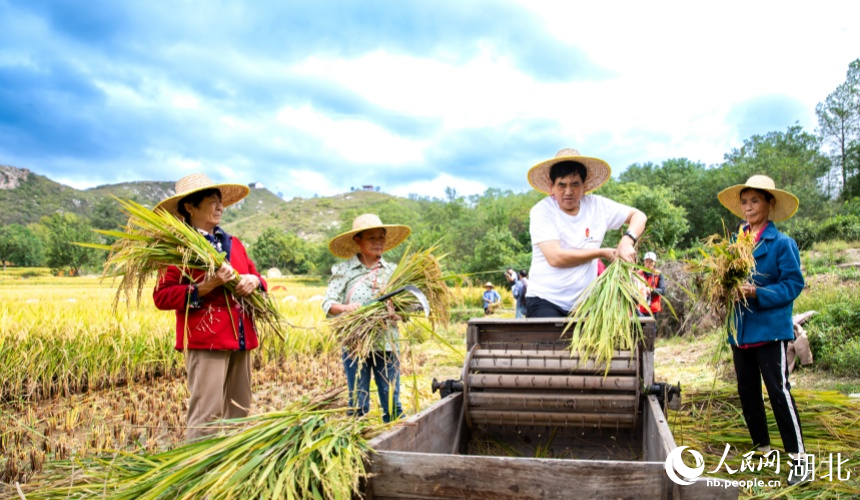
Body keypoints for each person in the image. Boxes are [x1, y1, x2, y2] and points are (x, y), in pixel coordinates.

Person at [152, 173, 266, 441]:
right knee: (207, 415)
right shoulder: (178, 249)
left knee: (240, 411)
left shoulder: (234, 243)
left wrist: (254, 281)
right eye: (213, 201)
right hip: (207, 339)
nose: (220, 207)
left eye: (221, 202)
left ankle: (234, 463)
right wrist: (205, 286)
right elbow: (162, 296)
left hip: (241, 337)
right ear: (190, 207)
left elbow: (257, 276)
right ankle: (199, 465)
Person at [717, 175, 808, 485]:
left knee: (778, 392)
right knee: (748, 392)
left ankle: (799, 460)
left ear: (770, 204)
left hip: (769, 330)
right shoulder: (735, 244)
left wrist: (757, 292)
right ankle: (763, 450)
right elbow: (726, 279)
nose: (748, 207)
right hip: (741, 332)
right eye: (744, 202)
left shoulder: (781, 244)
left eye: (755, 201)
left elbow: (793, 284)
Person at [525, 148, 648, 318]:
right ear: (551, 187)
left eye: (575, 184)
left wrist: (627, 240)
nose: (568, 192)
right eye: (562, 185)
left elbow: (639, 216)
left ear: (585, 186)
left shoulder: (597, 206)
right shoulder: (543, 211)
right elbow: (555, 258)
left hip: (584, 303)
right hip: (546, 299)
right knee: (550, 335)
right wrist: (602, 253)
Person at [322, 214, 411, 423]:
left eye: (381, 237)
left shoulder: (394, 271)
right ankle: (357, 437)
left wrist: (395, 312)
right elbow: (328, 304)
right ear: (358, 240)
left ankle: (396, 436)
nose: (378, 242)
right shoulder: (344, 270)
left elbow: (406, 309)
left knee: (392, 402)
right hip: (355, 344)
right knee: (357, 402)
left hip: (387, 343)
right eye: (372, 238)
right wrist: (345, 308)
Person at [638, 251, 666, 320]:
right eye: (646, 261)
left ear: (654, 263)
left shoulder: (658, 274)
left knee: (651, 326)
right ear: (644, 261)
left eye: (651, 261)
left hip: (652, 309)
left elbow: (662, 290)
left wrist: (651, 290)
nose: (648, 263)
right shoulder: (638, 274)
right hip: (639, 308)